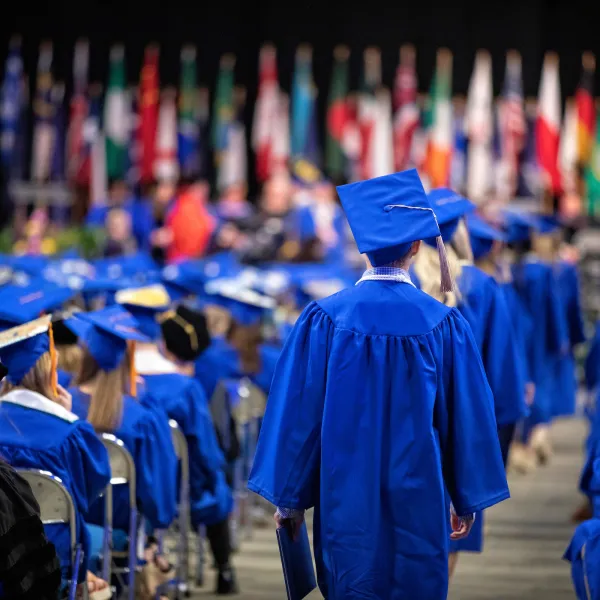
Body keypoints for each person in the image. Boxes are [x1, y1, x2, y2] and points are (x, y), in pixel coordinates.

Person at [248, 169, 509, 599]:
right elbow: (465, 416)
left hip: (344, 497)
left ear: (363, 247)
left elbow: (300, 417)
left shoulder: (324, 320)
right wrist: (465, 496)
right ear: (417, 245)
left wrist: (289, 499)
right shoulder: (442, 324)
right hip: (420, 493)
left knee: (354, 581)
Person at [412, 190, 525, 576]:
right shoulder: (480, 286)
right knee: (450, 532)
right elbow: (502, 375)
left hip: (402, 429)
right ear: (459, 231)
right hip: (459, 429)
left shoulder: (400, 281)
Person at [64, 306, 178, 595]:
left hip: (70, 529)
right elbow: (157, 499)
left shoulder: (62, 412)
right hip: (121, 532)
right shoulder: (139, 417)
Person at [0, 316, 111, 596]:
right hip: (51, 555)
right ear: (50, 368)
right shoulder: (70, 433)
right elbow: (88, 493)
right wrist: (69, 415)